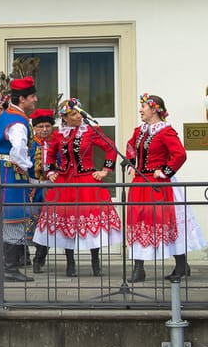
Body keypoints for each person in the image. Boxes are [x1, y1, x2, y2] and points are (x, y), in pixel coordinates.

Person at [33, 99, 122, 277]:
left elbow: (111, 148)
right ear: (64, 118)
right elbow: (49, 155)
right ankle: (70, 263)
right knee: (68, 221)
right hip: (65, 182)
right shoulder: (59, 134)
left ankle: (96, 262)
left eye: (79, 112)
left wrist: (105, 170)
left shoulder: (91, 131)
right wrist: (50, 172)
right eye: (73, 114)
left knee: (90, 218)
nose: (79, 116)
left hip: (87, 181)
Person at [125, 94, 206, 283]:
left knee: (168, 223)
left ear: (155, 109)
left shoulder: (166, 132)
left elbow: (180, 154)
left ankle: (181, 264)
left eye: (144, 107)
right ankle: (139, 268)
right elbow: (131, 147)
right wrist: (130, 162)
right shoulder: (140, 131)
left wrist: (164, 172)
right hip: (140, 183)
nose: (140, 110)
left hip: (160, 186)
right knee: (139, 223)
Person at [0, 75, 38, 283]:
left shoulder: (6, 115)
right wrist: (29, 170)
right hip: (10, 172)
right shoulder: (18, 122)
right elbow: (18, 151)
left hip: (1, 170)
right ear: (22, 99)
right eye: (32, 97)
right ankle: (8, 267)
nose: (35, 100)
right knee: (14, 218)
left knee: (8, 219)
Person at [25, 109, 60, 273]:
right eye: (40, 126)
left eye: (47, 126)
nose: (44, 129)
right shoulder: (29, 145)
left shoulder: (58, 144)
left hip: (53, 189)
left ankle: (40, 256)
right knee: (34, 222)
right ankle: (33, 254)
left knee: (49, 223)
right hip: (34, 189)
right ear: (34, 128)